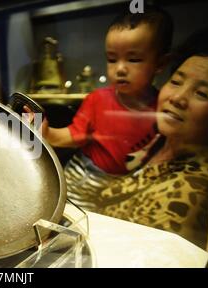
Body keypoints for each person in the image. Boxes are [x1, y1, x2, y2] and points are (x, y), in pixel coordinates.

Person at [31, 6, 174, 210]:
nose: (120, 69)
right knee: (70, 216)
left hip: (130, 182)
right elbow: (74, 135)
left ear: (161, 63)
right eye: (112, 59)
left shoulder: (163, 105)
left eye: (133, 59)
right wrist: (47, 134)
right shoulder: (97, 100)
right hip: (86, 176)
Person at [95, 28, 208, 250]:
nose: (177, 98)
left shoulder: (191, 191)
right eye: (177, 81)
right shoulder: (156, 140)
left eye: (202, 94)